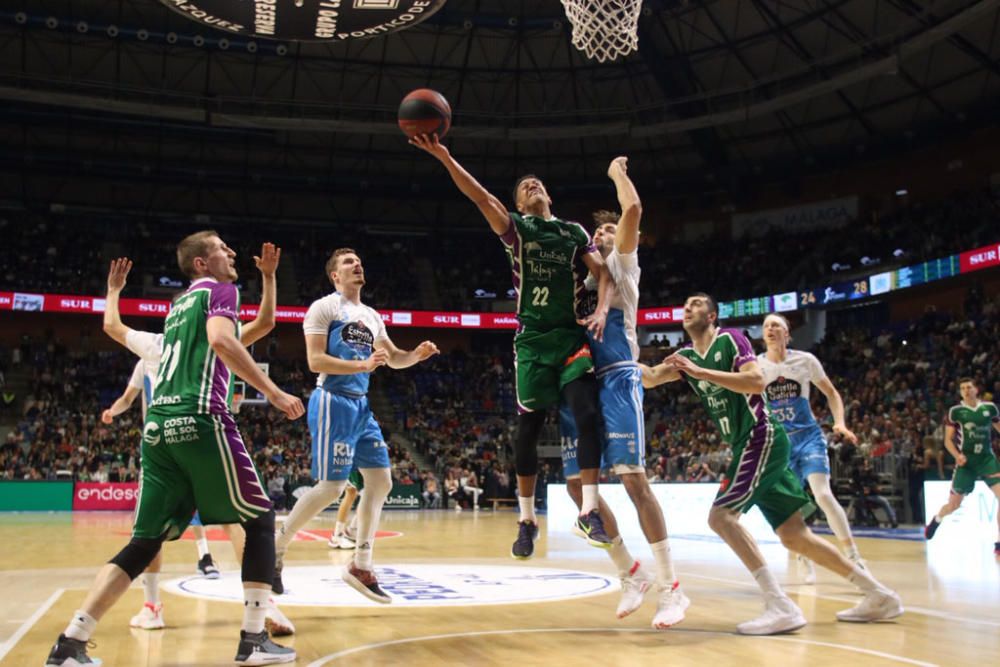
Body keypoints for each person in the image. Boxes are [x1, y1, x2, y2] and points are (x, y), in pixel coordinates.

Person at [46, 232, 305, 666]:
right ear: (202, 264)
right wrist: (275, 393)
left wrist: (270, 279)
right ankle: (254, 638)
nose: (232, 251)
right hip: (199, 419)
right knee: (259, 519)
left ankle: (71, 642)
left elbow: (257, 327)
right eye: (223, 247)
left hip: (157, 432)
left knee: (145, 542)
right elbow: (225, 340)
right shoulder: (221, 291)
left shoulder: (175, 313)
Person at [644, 293, 902, 635]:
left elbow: (756, 381)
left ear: (712, 315)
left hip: (761, 435)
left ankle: (779, 604)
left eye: (695, 303)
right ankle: (878, 595)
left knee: (721, 518)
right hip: (748, 444)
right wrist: (612, 355)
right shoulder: (686, 357)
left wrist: (700, 371)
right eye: (685, 303)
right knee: (795, 536)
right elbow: (648, 377)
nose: (687, 307)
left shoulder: (730, 340)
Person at [411, 132, 613, 560]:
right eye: (524, 186)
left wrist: (601, 309)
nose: (532, 185)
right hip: (533, 342)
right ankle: (526, 520)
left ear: (549, 195)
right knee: (528, 432)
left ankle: (589, 511)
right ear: (519, 205)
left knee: (588, 413)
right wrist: (445, 156)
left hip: (571, 337)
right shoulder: (517, 229)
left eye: (537, 182)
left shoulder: (573, 231)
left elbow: (605, 276)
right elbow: (481, 197)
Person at [99, 249, 293, 635]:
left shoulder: (156, 346)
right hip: (203, 428)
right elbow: (265, 323)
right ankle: (264, 604)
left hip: (162, 440)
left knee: (150, 534)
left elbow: (113, 327)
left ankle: (152, 606)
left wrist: (114, 289)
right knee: (243, 520)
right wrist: (269, 278)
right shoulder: (208, 332)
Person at [558, 156, 688, 629]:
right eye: (601, 234)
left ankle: (672, 586)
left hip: (616, 378)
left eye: (610, 232)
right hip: (581, 388)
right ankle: (629, 572)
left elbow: (632, 210)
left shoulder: (622, 267)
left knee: (633, 480)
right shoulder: (582, 284)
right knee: (576, 487)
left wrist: (617, 175)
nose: (606, 237)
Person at [272, 248, 439, 602]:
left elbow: (392, 359)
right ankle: (275, 547)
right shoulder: (325, 308)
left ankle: (361, 564)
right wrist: (363, 367)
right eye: (349, 262)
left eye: (359, 261)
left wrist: (415, 356)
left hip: (361, 405)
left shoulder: (372, 316)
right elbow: (315, 359)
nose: (357, 265)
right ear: (335, 275)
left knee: (381, 481)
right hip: (332, 399)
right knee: (332, 488)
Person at [757, 313, 865, 584]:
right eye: (766, 326)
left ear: (787, 333)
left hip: (809, 437)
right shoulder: (755, 367)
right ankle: (805, 558)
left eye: (776, 325)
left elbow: (831, 393)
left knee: (823, 495)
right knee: (794, 509)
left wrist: (839, 423)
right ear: (763, 335)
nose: (771, 329)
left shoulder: (805, 360)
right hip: (780, 445)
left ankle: (853, 556)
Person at [924, 377, 1000, 554]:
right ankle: (937, 519)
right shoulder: (956, 412)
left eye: (969, 387)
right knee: (953, 505)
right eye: (963, 388)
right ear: (960, 392)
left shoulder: (989, 408)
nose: (966, 390)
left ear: (976, 389)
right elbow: (947, 440)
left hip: (987, 460)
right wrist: (957, 456)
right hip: (966, 463)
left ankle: (998, 542)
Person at [327, 468, 362, 550]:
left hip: (364, 461)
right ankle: (338, 535)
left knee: (365, 493)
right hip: (357, 461)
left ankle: (350, 532)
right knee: (352, 492)